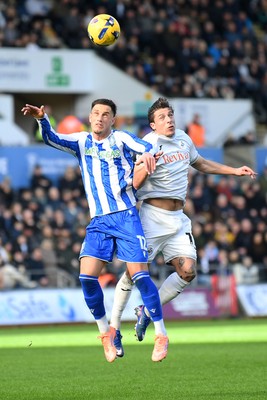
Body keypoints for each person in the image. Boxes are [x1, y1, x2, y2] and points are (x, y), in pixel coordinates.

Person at [21, 99, 168, 363]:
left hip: (125, 216)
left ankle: (161, 335)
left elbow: (146, 146)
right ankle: (107, 335)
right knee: (87, 278)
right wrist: (42, 119)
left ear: (113, 119)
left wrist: (147, 154)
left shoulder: (122, 138)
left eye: (106, 114)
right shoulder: (80, 141)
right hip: (99, 220)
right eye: (96, 113)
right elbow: (51, 139)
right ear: (90, 117)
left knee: (140, 276)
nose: (100, 118)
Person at [110, 97, 256, 356]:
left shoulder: (183, 138)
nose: (169, 120)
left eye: (171, 115)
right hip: (152, 218)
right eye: (163, 117)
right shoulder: (148, 145)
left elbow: (200, 163)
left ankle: (146, 311)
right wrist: (145, 165)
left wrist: (234, 171)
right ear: (153, 125)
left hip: (178, 219)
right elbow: (135, 182)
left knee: (188, 272)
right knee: (133, 273)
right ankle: (115, 327)